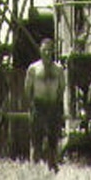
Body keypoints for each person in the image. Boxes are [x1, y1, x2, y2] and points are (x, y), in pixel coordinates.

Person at [24, 38, 65, 172]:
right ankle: (35, 168)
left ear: (53, 51)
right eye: (44, 50)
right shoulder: (33, 68)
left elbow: (61, 89)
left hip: (53, 107)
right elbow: (27, 88)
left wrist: (58, 106)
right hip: (38, 106)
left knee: (53, 140)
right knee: (36, 140)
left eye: (49, 50)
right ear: (40, 51)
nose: (47, 53)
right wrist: (32, 106)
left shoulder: (58, 69)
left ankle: (52, 167)